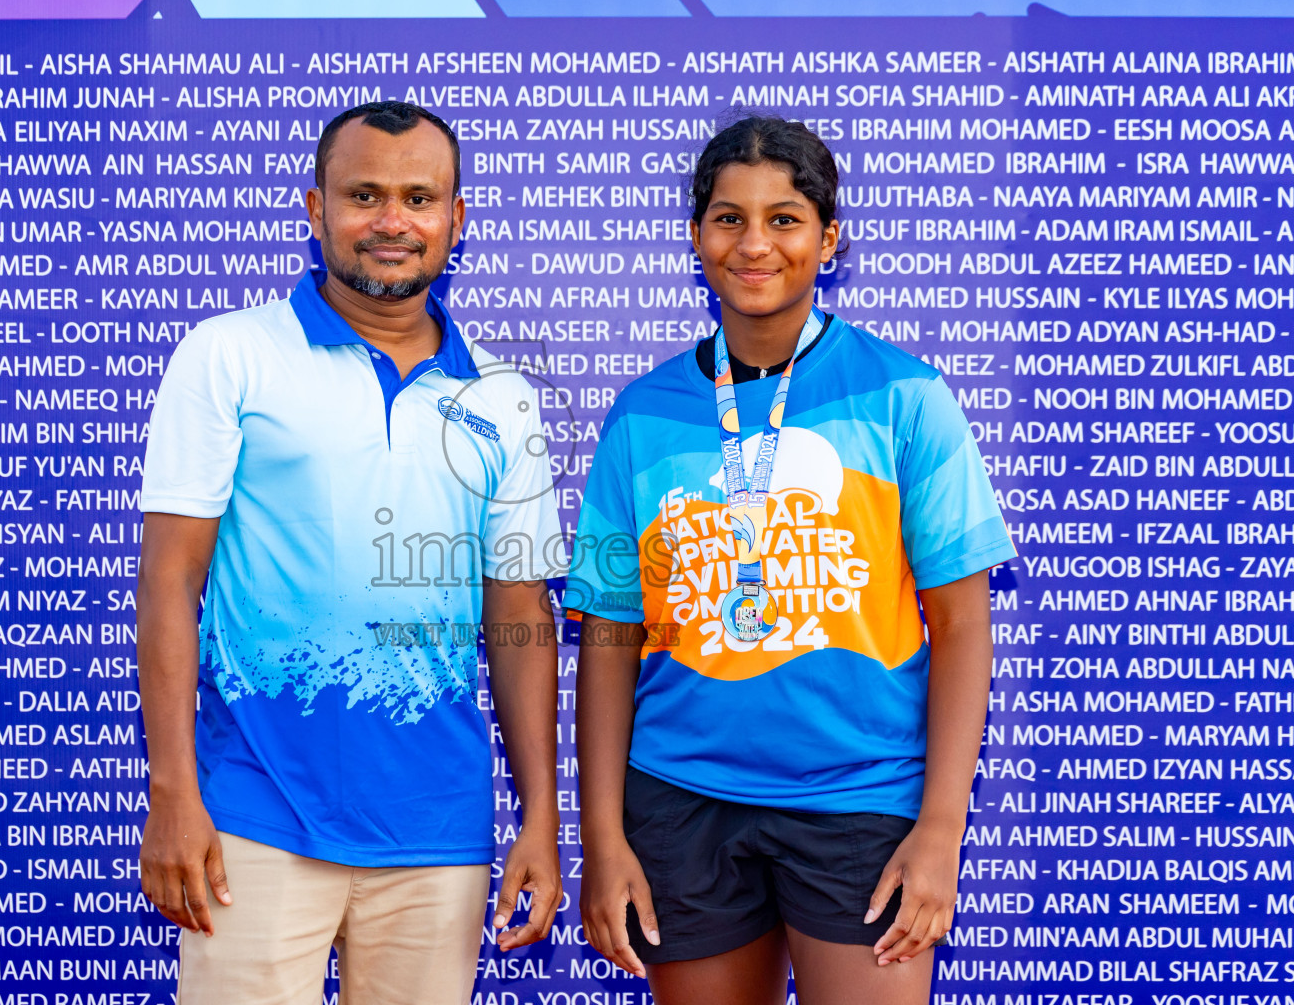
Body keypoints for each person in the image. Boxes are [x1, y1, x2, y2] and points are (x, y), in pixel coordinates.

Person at [568, 116, 1015, 1005]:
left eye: (785, 218)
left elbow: (962, 625)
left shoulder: (906, 396)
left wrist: (940, 832)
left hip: (859, 797)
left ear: (828, 238)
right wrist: (606, 838)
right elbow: (610, 637)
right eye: (729, 218)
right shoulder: (642, 413)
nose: (755, 243)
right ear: (697, 235)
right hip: (681, 799)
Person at [136, 100, 564, 1005]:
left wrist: (540, 815)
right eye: (364, 194)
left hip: (438, 833)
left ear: (456, 219)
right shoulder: (230, 355)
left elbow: (519, 613)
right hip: (255, 816)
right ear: (315, 207)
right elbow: (171, 581)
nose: (391, 221)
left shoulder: (501, 397)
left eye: (419, 197)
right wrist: (173, 790)